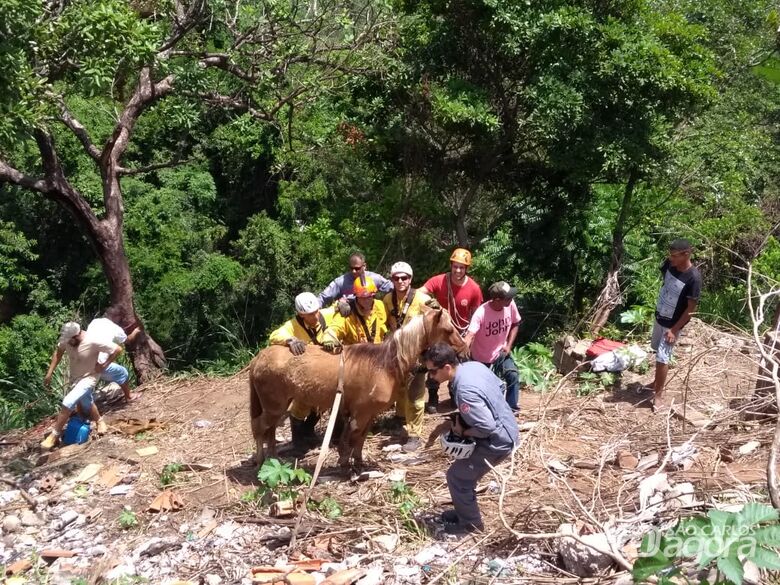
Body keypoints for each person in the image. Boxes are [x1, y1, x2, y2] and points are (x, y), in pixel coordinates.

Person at [424, 342, 518, 534]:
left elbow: (487, 426)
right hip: (508, 426)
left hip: (498, 441)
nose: (430, 377)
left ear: (447, 367)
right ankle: (463, 510)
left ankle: (470, 525)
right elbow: (500, 387)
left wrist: (463, 432)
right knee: (465, 474)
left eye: (433, 372)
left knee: (457, 477)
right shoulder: (473, 366)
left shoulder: (464, 391)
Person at [268, 292, 337, 449]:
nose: (315, 316)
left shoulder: (324, 315)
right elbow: (275, 335)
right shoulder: (292, 325)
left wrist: (343, 305)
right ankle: (298, 440)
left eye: (316, 312)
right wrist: (290, 340)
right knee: (302, 404)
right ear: (301, 314)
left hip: (324, 370)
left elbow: (336, 308)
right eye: (310, 315)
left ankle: (308, 431)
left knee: (325, 401)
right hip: (306, 373)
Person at [40, 322, 125, 450]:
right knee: (86, 399)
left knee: (68, 401)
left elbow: (117, 349)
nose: (67, 343)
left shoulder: (93, 340)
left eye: (70, 340)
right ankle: (100, 421)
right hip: (75, 377)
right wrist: (49, 373)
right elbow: (58, 352)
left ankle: (54, 435)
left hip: (89, 377)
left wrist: (104, 365)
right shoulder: (68, 340)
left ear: (77, 336)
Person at [419, 248, 483, 411]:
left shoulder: (474, 289)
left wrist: (470, 338)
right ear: (451, 265)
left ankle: (456, 394)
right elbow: (419, 294)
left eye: (462, 267)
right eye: (455, 266)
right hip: (440, 334)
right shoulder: (439, 281)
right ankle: (433, 397)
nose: (458, 270)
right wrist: (429, 302)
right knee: (434, 363)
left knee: (458, 365)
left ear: (466, 269)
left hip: (458, 333)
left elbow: (477, 315)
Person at [383, 262, 433, 452]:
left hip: (417, 353)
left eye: (405, 278)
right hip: (397, 352)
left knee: (415, 394)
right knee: (399, 389)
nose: (401, 281)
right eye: (396, 278)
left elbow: (435, 321)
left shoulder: (423, 299)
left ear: (411, 279)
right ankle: (400, 417)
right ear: (392, 280)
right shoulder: (388, 299)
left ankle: (414, 434)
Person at [651, 239, 702, 410]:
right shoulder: (669, 265)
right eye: (670, 255)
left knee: (662, 358)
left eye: (674, 256)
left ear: (686, 254)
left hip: (671, 325)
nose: (670, 258)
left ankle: (658, 395)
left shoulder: (693, 278)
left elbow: (691, 309)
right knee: (656, 351)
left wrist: (674, 329)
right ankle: (657, 382)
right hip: (659, 317)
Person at [463, 281, 522, 412]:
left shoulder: (510, 304)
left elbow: (516, 323)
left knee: (512, 375)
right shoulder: (481, 313)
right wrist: (462, 353)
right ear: (497, 299)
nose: (512, 299)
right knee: (484, 388)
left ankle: (511, 409)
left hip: (500, 353)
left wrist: (508, 345)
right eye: (508, 297)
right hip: (481, 358)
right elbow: (470, 335)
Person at [85, 309, 142, 402]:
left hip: (85, 359)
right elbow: (127, 340)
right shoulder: (114, 327)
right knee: (122, 373)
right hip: (100, 364)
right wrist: (136, 331)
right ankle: (129, 396)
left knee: (86, 386)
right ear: (117, 317)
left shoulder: (94, 322)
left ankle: (80, 406)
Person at [322, 276, 388, 350]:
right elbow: (335, 327)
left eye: (369, 296)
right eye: (362, 297)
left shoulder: (381, 306)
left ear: (374, 295)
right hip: (355, 356)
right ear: (356, 296)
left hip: (378, 353)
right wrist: (329, 338)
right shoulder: (347, 312)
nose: (366, 300)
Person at [317, 251, 393, 313]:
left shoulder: (374, 278)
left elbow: (392, 287)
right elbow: (323, 297)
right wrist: (313, 312)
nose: (353, 271)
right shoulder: (341, 282)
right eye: (351, 268)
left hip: (370, 315)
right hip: (347, 318)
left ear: (364, 266)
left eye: (357, 268)